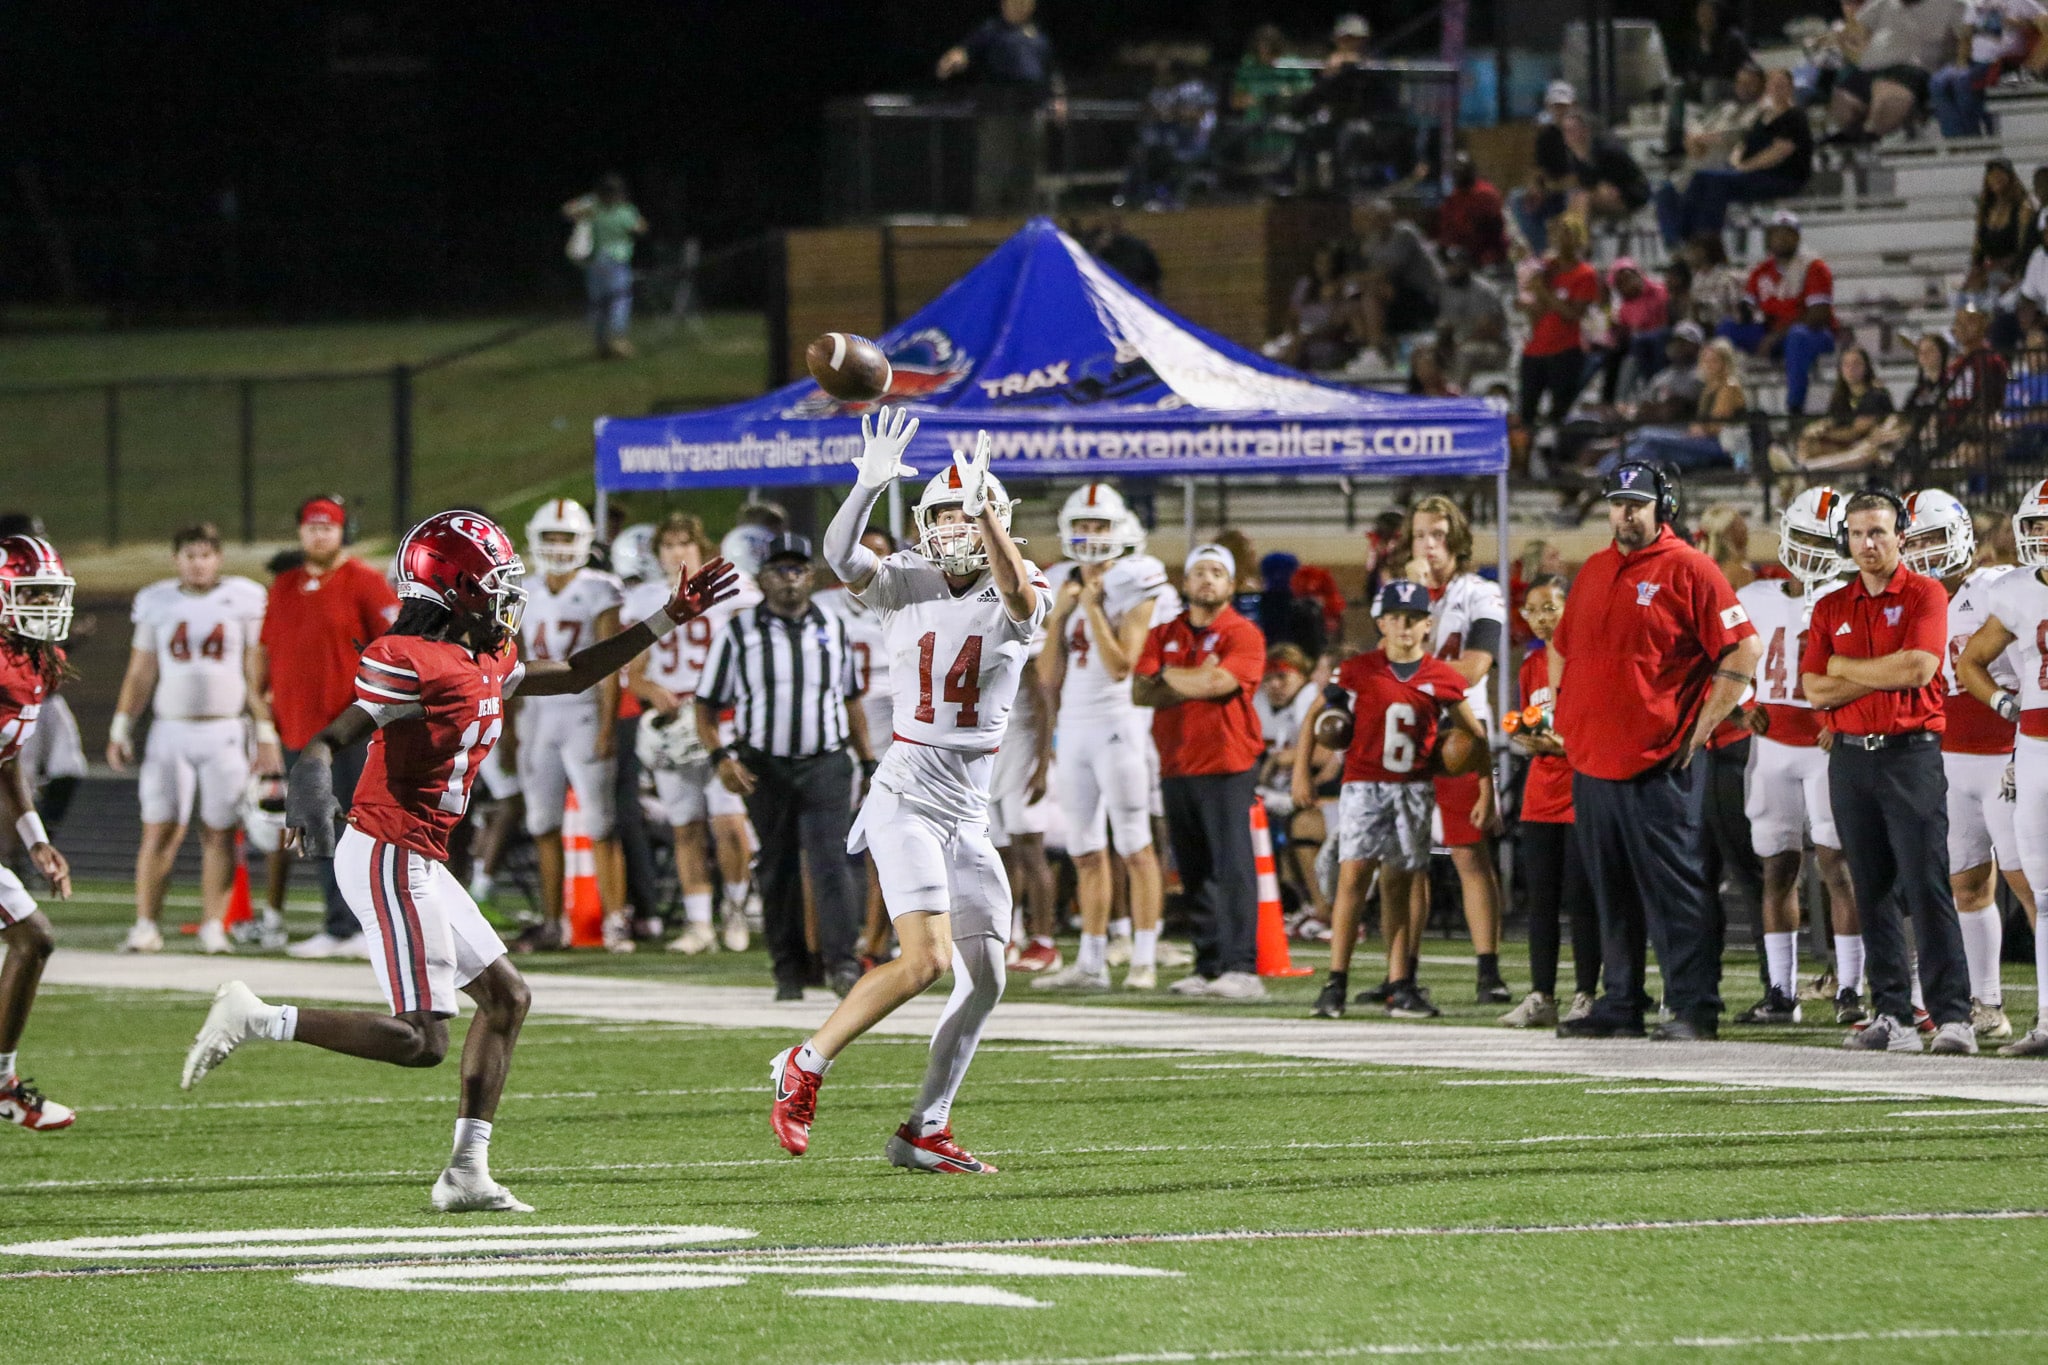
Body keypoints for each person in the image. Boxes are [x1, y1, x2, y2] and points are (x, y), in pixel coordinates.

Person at [181, 510, 737, 1209]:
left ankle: (467, 1172)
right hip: (386, 850)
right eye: (495, 583)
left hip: (418, 854)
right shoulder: (410, 659)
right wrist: (310, 785)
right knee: (422, 1041)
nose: (508, 597)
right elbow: (332, 736)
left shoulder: (486, 655)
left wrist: (667, 617)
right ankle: (257, 1016)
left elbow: (574, 673)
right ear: (455, 588)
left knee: (507, 999)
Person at [770, 412, 1050, 1174]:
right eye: (947, 513)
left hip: (968, 811)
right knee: (924, 960)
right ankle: (804, 1061)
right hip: (906, 795)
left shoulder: (1025, 580)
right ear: (927, 524)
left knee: (987, 977)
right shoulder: (903, 579)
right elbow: (840, 556)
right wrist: (866, 485)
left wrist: (987, 521)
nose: (957, 524)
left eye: (970, 511)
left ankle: (925, 1126)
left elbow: (1018, 599)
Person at [1552, 462, 1762, 1041]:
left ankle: (1694, 1007)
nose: (1625, 513)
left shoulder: (1691, 568)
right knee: (1610, 890)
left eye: (1637, 503)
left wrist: (1703, 727)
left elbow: (1743, 649)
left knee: (1677, 890)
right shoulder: (1595, 569)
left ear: (1662, 506)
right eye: (1617, 502)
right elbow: (1564, 646)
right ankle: (1622, 1002)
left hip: (1660, 762)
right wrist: (1562, 717)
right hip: (1593, 761)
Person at [1800, 489, 1974, 1053]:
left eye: (1877, 532)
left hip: (1910, 753)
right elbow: (1814, 689)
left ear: (1901, 535)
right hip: (1850, 756)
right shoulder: (1831, 604)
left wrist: (1845, 666)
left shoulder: (1925, 592)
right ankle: (1893, 1013)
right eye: (1856, 533)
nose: (1866, 544)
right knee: (1870, 887)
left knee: (1926, 884)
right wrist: (1881, 671)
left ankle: (1953, 1017)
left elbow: (1919, 669)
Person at [1298, 580, 1485, 1020]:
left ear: (1427, 625)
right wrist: (1299, 773)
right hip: (1363, 787)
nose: (1404, 626)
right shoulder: (1357, 670)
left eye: (1413, 618)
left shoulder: (1441, 676)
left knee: (1400, 886)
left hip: (1414, 789)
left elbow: (1475, 735)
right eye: (1395, 617)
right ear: (1381, 623)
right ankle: (1335, 982)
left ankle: (1400, 984)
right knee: (1353, 880)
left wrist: (1487, 789)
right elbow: (1314, 716)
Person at [700, 533, 872, 1000]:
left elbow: (851, 698)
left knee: (832, 863)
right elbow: (706, 704)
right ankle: (788, 970)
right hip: (764, 765)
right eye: (780, 570)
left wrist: (868, 760)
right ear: (762, 578)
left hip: (826, 761)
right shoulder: (738, 631)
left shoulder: (833, 625)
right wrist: (721, 757)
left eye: (797, 569)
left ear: (810, 576)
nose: (790, 579)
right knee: (778, 868)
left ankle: (842, 964)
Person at [106, 523, 277, 956]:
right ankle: (146, 925)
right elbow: (141, 671)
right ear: (176, 559)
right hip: (170, 729)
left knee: (220, 831)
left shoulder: (243, 597)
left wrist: (264, 730)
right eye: (189, 555)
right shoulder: (157, 600)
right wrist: (122, 726)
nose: (198, 564)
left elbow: (254, 670)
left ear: (218, 558)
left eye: (205, 555)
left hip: (225, 729)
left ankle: (214, 925)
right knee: (160, 828)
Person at [1035, 484, 1178, 992]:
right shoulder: (1060, 581)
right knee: (1085, 851)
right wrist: (1058, 616)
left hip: (1120, 723)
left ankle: (1144, 957)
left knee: (1135, 844)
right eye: (1083, 526)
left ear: (1119, 530)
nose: (1091, 535)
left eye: (1099, 526)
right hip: (1073, 726)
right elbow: (1047, 678)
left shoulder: (1136, 578)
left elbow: (1121, 666)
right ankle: (1091, 962)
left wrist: (1094, 608)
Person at [1731, 489, 1862, 1026]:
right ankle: (1781, 992)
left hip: (1828, 748)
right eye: (1803, 537)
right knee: (1777, 868)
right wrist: (1744, 705)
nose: (1809, 551)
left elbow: (1869, 670)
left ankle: (1851, 988)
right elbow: (1727, 658)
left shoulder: (1852, 597)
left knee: (1838, 867)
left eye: (1820, 541)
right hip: (1772, 746)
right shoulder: (1754, 596)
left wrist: (1844, 719)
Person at [1907, 488, 2031, 1040]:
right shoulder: (1912, 600)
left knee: (2030, 885)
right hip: (1949, 760)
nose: (1925, 552)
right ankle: (1987, 1004)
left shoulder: (1996, 587)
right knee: (1967, 885)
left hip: (2006, 754)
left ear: (1959, 535)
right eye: (1914, 542)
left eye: (1933, 538)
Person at [266, 494, 400, 960]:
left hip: (350, 728)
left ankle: (365, 924)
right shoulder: (285, 585)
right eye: (312, 526)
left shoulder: (365, 581)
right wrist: (264, 719)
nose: (319, 535)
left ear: (344, 532)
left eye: (328, 526)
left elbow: (394, 648)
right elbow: (268, 651)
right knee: (317, 829)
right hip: (298, 728)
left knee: (358, 827)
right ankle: (339, 925)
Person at [1134, 543, 1269, 999]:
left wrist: (1169, 675)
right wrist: (1193, 678)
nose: (1207, 580)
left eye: (1216, 572)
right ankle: (1208, 965)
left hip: (1228, 762)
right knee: (1194, 870)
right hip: (1176, 761)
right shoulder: (1164, 632)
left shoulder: (1243, 632)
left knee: (1232, 866)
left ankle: (1242, 967)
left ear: (1230, 584)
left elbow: (1219, 683)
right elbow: (1140, 691)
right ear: (1185, 582)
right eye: (1200, 572)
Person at [623, 513, 761, 955]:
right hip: (673, 720)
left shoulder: (731, 585)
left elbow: (755, 645)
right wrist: (651, 691)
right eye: (668, 545)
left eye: (684, 543)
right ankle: (699, 922)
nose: (676, 552)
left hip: (721, 715)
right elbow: (634, 670)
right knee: (686, 827)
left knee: (729, 823)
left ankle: (736, 909)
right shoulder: (646, 597)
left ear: (701, 547)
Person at [508, 498, 633, 953]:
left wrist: (606, 726)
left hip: (582, 709)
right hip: (537, 713)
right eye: (551, 537)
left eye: (566, 537)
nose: (559, 545)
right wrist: (509, 726)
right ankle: (552, 922)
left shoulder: (600, 587)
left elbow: (610, 661)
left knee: (600, 822)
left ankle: (615, 920)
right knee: (542, 822)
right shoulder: (522, 589)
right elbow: (512, 662)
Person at [1410, 496, 1510, 1004]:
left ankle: (1488, 970)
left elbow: (1472, 668)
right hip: (1408, 730)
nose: (1428, 544)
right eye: (1420, 535)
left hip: (1459, 729)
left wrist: (1410, 670)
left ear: (1457, 539)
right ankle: (1402, 973)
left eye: (1438, 534)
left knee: (1469, 852)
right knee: (1405, 857)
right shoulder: (1401, 593)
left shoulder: (1480, 592)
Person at [1961, 481, 2048, 1054]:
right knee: (2044, 889)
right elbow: (1971, 661)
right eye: (2035, 524)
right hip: (2036, 747)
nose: (2041, 535)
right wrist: (2000, 702)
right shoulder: (2016, 589)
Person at [1500, 575, 1602, 1028]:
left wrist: (1567, 745)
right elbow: (1532, 724)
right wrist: (1528, 739)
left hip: (1580, 791)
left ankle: (1586, 993)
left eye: (1551, 608)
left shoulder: (1586, 659)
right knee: (1540, 901)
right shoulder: (1531, 666)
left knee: (1582, 899)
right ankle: (1541, 994)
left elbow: (1594, 725)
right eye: (1533, 610)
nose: (1542, 619)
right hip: (1540, 794)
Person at [0, 533, 76, 1132]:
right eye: (32, 593)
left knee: (34, 938)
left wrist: (35, 837)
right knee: (33, 937)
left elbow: (7, 762)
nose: (46, 604)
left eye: (51, 593)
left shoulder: (38, 662)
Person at [818, 527, 901, 963]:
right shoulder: (822, 606)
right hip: (831, 735)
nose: (869, 559)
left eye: (880, 552)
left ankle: (876, 939)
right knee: (822, 844)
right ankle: (821, 942)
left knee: (883, 845)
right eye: (862, 550)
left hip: (892, 741)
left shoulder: (908, 598)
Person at [937, 0, 1065, 215]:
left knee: (1029, 172)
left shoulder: (1038, 37)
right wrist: (954, 59)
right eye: (1013, 2)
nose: (1018, 6)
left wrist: (1058, 99)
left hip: (1030, 112)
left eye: (1024, 2)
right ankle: (986, 222)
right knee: (994, 170)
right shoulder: (992, 30)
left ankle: (1025, 221)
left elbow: (1051, 72)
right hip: (999, 112)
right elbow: (967, 50)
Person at [1659, 70, 1814, 247]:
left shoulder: (1794, 116)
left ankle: (1707, 242)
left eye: (1781, 85)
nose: (1776, 89)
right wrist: (1735, 162)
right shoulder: (1764, 116)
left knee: (1715, 183)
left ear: (1790, 88)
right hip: (1752, 174)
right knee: (1700, 178)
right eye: (1773, 85)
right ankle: (1686, 238)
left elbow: (1779, 151)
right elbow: (1744, 144)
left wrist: (1745, 167)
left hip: (1780, 177)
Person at [1719, 211, 1836, 416]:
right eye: (1776, 233)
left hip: (1814, 335)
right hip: (1773, 333)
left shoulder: (1813, 266)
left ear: (1797, 237)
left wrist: (1775, 337)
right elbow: (1747, 308)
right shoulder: (1761, 270)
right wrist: (1739, 309)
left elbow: (1818, 316)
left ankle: (1794, 408)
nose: (1780, 238)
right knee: (1726, 328)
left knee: (1797, 336)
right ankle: (1731, 403)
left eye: (1787, 233)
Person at [1831, 0, 1969, 142]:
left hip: (1914, 68)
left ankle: (1871, 137)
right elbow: (1854, 31)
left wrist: (1958, 65)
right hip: (1873, 66)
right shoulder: (1883, 4)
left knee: (1886, 97)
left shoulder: (1952, 6)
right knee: (1844, 102)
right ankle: (1853, 139)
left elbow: (1966, 40)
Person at [1517, 216, 1600, 432]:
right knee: (1526, 412)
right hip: (1535, 349)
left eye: (1567, 233)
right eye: (1556, 233)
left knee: (1559, 414)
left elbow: (1573, 314)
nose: (1561, 239)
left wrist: (1544, 293)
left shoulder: (1585, 274)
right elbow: (1533, 305)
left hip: (1565, 349)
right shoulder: (1545, 269)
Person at [562, 174, 647, 359]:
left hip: (595, 261)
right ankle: (618, 339)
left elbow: (568, 210)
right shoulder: (625, 211)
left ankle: (600, 343)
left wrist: (589, 201)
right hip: (617, 261)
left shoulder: (593, 209)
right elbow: (640, 228)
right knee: (620, 300)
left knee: (598, 303)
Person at [1933, 1, 2048, 137]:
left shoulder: (2021, 2)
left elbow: (2044, 23)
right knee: (1938, 82)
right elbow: (1966, 35)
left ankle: (1974, 139)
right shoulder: (1976, 4)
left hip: (2003, 62)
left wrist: (2023, 24)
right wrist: (1961, 61)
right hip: (1974, 62)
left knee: (1962, 81)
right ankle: (1956, 139)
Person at [1352, 200, 1443, 365]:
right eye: (1373, 217)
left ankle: (1375, 350)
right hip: (1397, 292)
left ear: (1391, 217)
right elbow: (1370, 272)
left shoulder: (1405, 233)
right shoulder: (1372, 241)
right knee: (1353, 301)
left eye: (1381, 217)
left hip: (1425, 293)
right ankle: (1370, 351)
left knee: (1372, 296)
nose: (1377, 222)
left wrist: (1351, 279)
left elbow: (1386, 272)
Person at [1790, 346, 1898, 468]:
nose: (1851, 369)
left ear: (1866, 367)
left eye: (1856, 364)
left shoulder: (1876, 395)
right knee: (1808, 442)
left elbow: (1855, 433)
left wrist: (1824, 433)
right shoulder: (1840, 396)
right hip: (1845, 446)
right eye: (1846, 364)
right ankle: (1799, 470)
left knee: (1860, 450)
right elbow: (1831, 421)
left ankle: (1806, 468)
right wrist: (1815, 429)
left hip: (1867, 447)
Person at [1511, 81, 1581, 253]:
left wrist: (1555, 186)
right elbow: (1538, 169)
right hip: (1552, 191)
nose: (1560, 111)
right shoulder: (1546, 136)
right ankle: (1542, 251)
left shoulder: (1581, 133)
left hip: (1574, 190)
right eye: (1556, 106)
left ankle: (1571, 250)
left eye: (1564, 106)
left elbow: (1582, 174)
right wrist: (1534, 188)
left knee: (1572, 197)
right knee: (1517, 199)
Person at [1436, 246, 1511, 388]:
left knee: (1465, 353)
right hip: (1460, 342)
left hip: (1495, 346)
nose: (1452, 269)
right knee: (1426, 354)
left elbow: (1491, 329)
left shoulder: (1484, 290)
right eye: (1450, 265)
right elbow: (1446, 325)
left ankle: (1457, 396)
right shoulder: (1447, 288)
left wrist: (1461, 343)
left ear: (1466, 266)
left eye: (1457, 265)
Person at [1437, 152, 1508, 268]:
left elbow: (1495, 231)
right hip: (1459, 255)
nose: (1459, 174)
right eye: (1456, 171)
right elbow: (1447, 232)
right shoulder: (1453, 199)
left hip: (1486, 256)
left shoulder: (1486, 194)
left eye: (1463, 170)